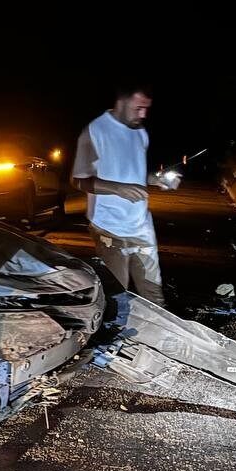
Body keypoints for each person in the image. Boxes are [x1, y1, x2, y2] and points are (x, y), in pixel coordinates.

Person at [72, 84, 166, 306]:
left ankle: (166, 337)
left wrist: (155, 179)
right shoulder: (96, 131)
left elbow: (135, 174)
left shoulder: (141, 133)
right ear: (122, 102)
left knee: (153, 293)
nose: (143, 115)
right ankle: (115, 336)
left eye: (146, 109)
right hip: (109, 228)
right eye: (138, 108)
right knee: (118, 295)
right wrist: (118, 189)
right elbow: (78, 180)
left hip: (141, 225)